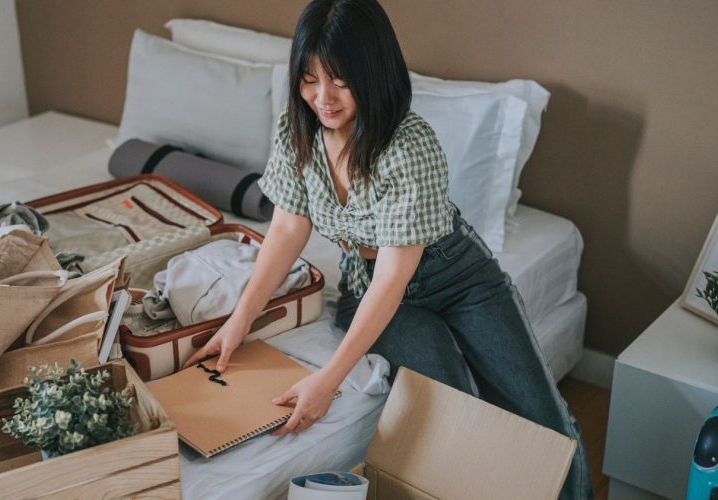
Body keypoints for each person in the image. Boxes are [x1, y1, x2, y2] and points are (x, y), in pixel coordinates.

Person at [183, 0, 592, 497]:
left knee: (544, 419)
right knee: (456, 410)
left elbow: (396, 276)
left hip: (458, 279)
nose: (323, 97)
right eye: (309, 79)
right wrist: (239, 320)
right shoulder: (299, 132)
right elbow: (289, 228)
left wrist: (329, 382)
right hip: (367, 284)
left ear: (372, 73)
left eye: (340, 79)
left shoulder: (408, 145)